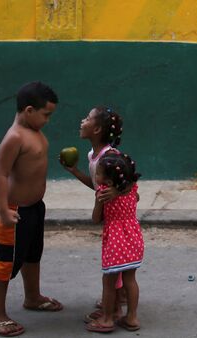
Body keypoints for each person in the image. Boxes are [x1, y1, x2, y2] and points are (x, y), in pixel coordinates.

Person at [0, 81, 62, 337]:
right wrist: (4, 210)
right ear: (29, 110)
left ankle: (33, 297)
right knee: (4, 263)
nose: (48, 120)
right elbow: (0, 175)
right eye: (46, 114)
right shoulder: (14, 137)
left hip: (34, 208)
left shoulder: (35, 132)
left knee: (32, 255)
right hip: (14, 211)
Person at [60, 106, 127, 320]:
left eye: (87, 118)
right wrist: (76, 171)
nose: (82, 121)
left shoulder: (111, 157)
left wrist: (116, 190)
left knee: (114, 265)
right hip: (109, 219)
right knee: (114, 263)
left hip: (118, 219)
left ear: (97, 129)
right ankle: (115, 300)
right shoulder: (93, 156)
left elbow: (131, 189)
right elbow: (97, 185)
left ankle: (114, 307)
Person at [85, 152, 143, 333]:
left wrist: (98, 202)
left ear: (109, 182)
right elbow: (135, 194)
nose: (96, 176)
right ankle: (132, 317)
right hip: (133, 238)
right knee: (130, 280)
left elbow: (96, 219)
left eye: (99, 173)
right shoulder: (132, 189)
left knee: (108, 282)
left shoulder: (103, 193)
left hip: (115, 243)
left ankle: (107, 318)